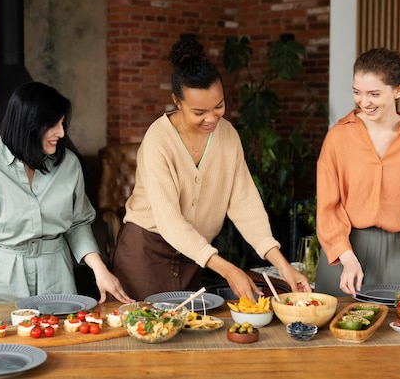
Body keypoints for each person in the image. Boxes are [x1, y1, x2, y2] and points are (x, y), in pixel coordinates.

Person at [111, 38, 311, 302]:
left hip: (194, 255)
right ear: (176, 101)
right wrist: (227, 269)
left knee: (190, 335)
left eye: (219, 106)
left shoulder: (228, 135)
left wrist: (283, 266)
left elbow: (245, 205)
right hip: (146, 252)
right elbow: (170, 222)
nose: (212, 118)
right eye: (199, 112)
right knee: (147, 331)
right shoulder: (158, 140)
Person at [0, 82, 133, 315]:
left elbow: (78, 223)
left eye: (62, 123)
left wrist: (100, 270)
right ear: (29, 124)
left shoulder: (69, 165)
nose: (61, 133)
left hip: (56, 277)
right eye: (53, 125)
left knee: (59, 344)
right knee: (0, 346)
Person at [315, 47, 400, 298]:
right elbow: (328, 207)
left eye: (374, 93)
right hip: (344, 250)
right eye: (357, 92)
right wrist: (346, 257)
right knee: (333, 329)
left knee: (390, 332)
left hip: (396, 254)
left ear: (398, 90)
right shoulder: (338, 137)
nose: (364, 102)